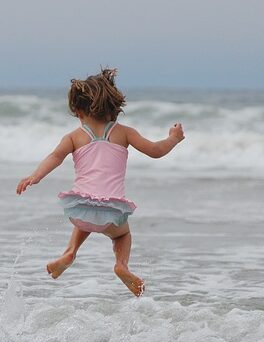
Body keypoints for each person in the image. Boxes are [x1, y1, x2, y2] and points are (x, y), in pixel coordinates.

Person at [16, 68, 184, 296]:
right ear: (114, 107)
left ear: (79, 111)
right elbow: (155, 151)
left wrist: (35, 176)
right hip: (111, 212)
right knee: (122, 235)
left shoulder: (74, 137)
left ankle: (70, 253)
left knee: (86, 214)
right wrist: (173, 139)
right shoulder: (124, 132)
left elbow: (55, 157)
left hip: (80, 209)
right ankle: (121, 265)